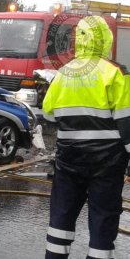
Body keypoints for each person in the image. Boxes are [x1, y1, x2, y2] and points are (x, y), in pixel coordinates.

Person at [43, 16, 130, 258]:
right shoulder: (116, 73)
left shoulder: (63, 74)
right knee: (103, 221)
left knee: (60, 219)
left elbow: (49, 117)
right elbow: (126, 124)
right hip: (107, 163)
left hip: (68, 159)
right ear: (105, 40)